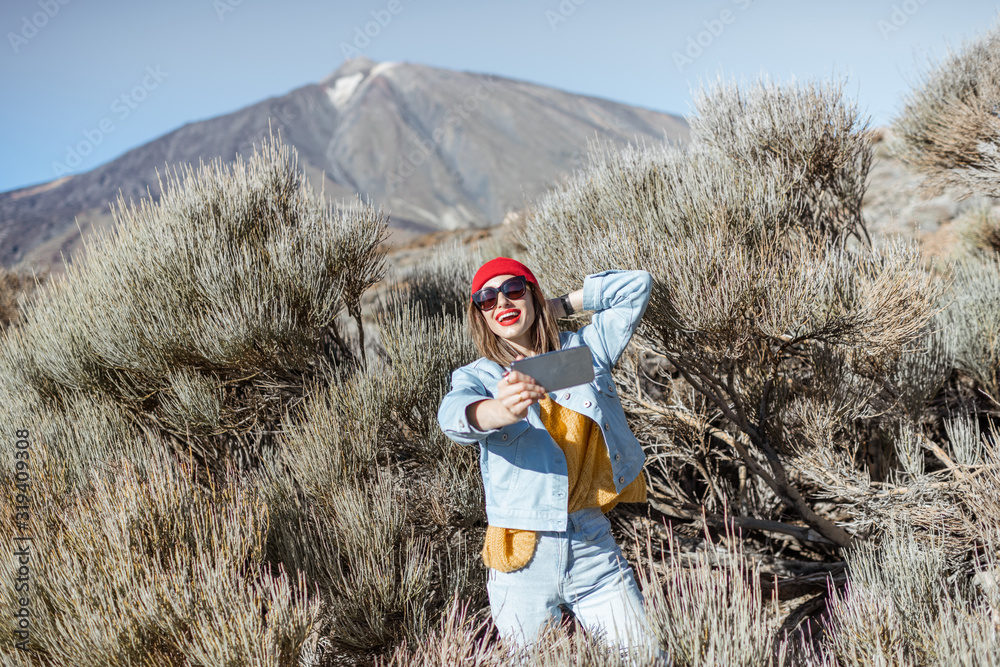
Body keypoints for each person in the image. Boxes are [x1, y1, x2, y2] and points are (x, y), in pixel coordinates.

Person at [437, 256, 655, 654]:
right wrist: (500, 412)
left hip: (592, 546)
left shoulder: (586, 350)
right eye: (487, 299)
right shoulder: (479, 377)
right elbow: (453, 417)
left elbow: (636, 286)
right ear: (480, 315)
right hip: (521, 556)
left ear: (533, 294)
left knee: (646, 657)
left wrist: (557, 306)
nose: (501, 302)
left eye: (514, 290)